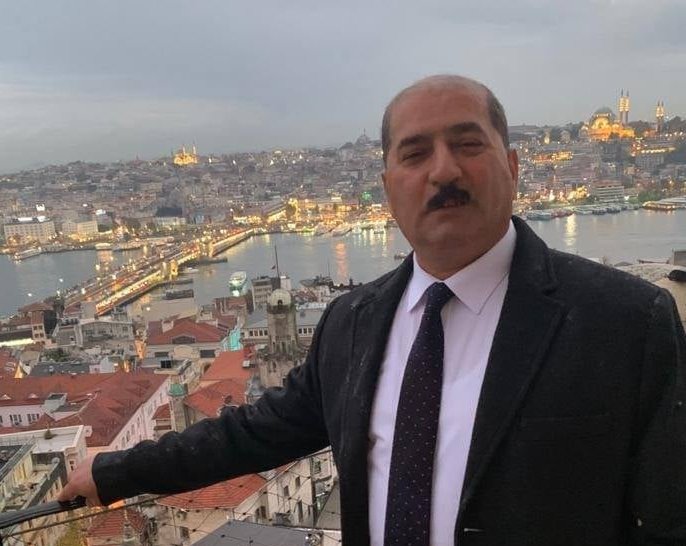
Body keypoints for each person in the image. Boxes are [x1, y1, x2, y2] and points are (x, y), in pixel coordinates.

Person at [60, 75, 686, 545]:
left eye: (468, 144)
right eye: (414, 154)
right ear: (388, 186)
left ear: (514, 166)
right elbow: (253, 432)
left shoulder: (627, 322)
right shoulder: (352, 322)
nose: (444, 169)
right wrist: (115, 471)